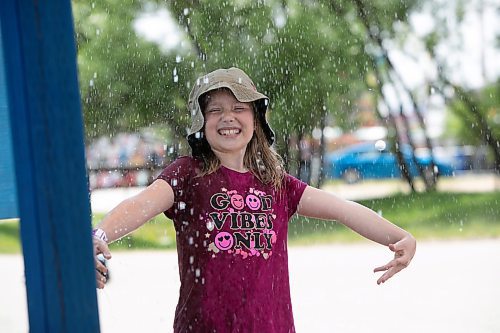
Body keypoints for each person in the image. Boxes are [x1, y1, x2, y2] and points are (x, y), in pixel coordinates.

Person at [92, 67, 416, 333]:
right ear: (201, 125)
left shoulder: (277, 185)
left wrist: (399, 236)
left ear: (256, 119)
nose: (227, 117)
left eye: (238, 108)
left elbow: (343, 210)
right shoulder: (188, 175)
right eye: (214, 110)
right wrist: (100, 235)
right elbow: (142, 204)